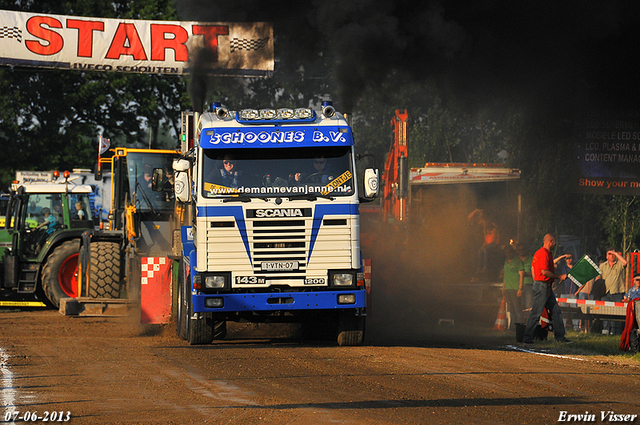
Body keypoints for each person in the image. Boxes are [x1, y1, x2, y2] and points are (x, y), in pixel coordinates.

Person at [522, 234, 572, 344]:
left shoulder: (540, 253)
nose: (555, 244)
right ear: (550, 241)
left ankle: (560, 337)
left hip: (543, 285)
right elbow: (544, 271)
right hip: (543, 286)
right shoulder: (544, 253)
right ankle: (527, 338)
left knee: (556, 311)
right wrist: (559, 276)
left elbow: (533, 269)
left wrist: (536, 281)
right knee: (536, 312)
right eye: (554, 242)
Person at [468, 209, 502, 282]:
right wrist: (483, 245)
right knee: (480, 250)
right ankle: (480, 267)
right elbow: (485, 240)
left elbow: (494, 240)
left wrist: (486, 246)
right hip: (488, 245)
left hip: (494, 245)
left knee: (486, 249)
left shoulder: (494, 229)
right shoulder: (485, 230)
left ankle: (485, 266)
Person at [502, 245, 524, 326]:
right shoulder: (506, 261)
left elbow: (521, 275)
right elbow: (505, 275)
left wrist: (520, 289)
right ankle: (512, 326)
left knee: (517, 308)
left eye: (509, 252)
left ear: (512, 253)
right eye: (506, 253)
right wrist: (503, 287)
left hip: (515, 288)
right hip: (507, 288)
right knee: (510, 309)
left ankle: (519, 325)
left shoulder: (518, 261)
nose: (508, 254)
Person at [516, 242, 534, 310]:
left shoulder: (532, 259)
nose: (521, 251)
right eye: (519, 250)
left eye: (522, 249)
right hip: (516, 286)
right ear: (517, 251)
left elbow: (536, 272)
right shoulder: (515, 260)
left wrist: (525, 274)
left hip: (528, 285)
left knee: (528, 306)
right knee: (518, 307)